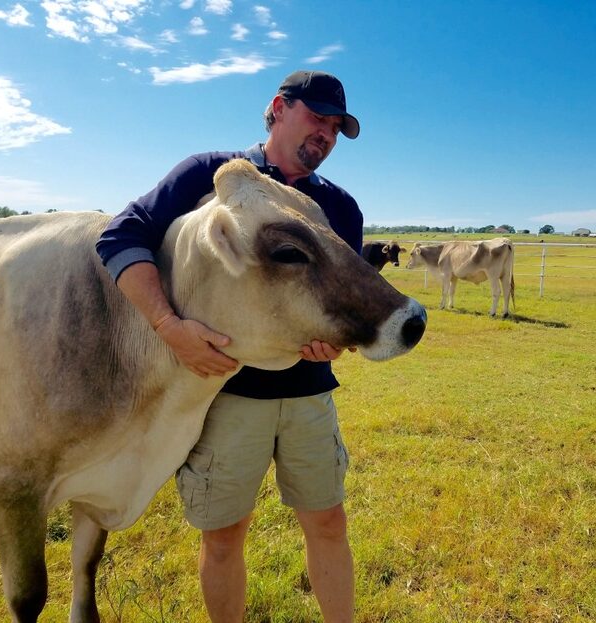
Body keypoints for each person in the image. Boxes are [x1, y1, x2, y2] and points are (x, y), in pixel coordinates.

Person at [95, 70, 362, 623]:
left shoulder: (341, 209)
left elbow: (346, 306)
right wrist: (169, 326)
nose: (327, 135)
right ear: (277, 108)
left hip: (309, 396)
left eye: (336, 127)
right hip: (226, 396)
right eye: (317, 117)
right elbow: (121, 235)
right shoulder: (206, 177)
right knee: (223, 538)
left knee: (329, 524)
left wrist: (336, 343)